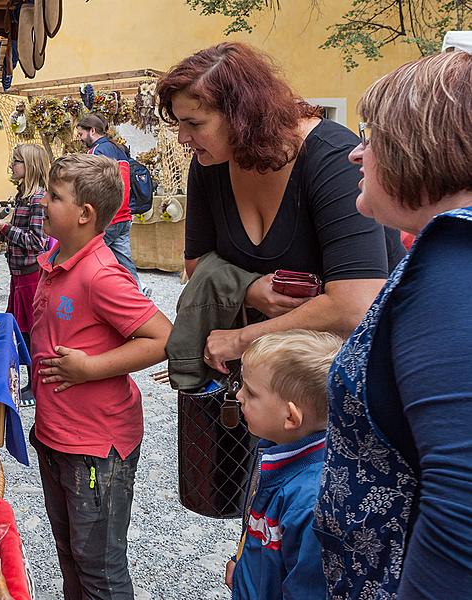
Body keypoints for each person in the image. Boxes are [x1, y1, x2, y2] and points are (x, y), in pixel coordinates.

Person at [315, 50, 472, 598]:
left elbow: (462, 500)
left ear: (419, 144)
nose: (357, 153)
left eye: (372, 135)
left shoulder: (457, 259)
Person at [155, 43, 405, 376]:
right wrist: (251, 289)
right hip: (258, 383)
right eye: (179, 124)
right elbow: (196, 261)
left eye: (194, 123)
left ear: (241, 117)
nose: (183, 138)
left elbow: (355, 304)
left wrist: (242, 338)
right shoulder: (210, 161)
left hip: (337, 376)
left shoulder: (332, 159)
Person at [29, 154, 172, 599]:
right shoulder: (57, 255)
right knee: (71, 552)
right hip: (58, 436)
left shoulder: (100, 273)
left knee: (100, 569)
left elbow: (163, 337)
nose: (43, 200)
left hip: (95, 447)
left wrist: (90, 368)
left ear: (85, 214)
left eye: (55, 196)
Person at [226, 329, 341, 599]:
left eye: (251, 393)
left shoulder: (310, 500)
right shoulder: (275, 449)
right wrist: (241, 561)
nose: (239, 396)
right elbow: (264, 528)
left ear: (290, 416)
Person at [0, 144, 50, 407]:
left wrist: (6, 229)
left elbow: (37, 241)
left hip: (31, 276)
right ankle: (31, 382)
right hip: (19, 273)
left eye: (16, 161)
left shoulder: (37, 199)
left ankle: (35, 386)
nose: (12, 165)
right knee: (24, 332)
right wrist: (0, 233)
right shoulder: (23, 196)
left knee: (33, 334)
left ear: (30, 165)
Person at [74, 114, 140, 287]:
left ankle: (87, 292)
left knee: (85, 257)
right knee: (126, 264)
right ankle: (138, 291)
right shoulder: (118, 149)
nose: (80, 139)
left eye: (81, 134)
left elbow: (93, 186)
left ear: (92, 131)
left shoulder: (96, 152)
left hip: (107, 217)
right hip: (124, 215)